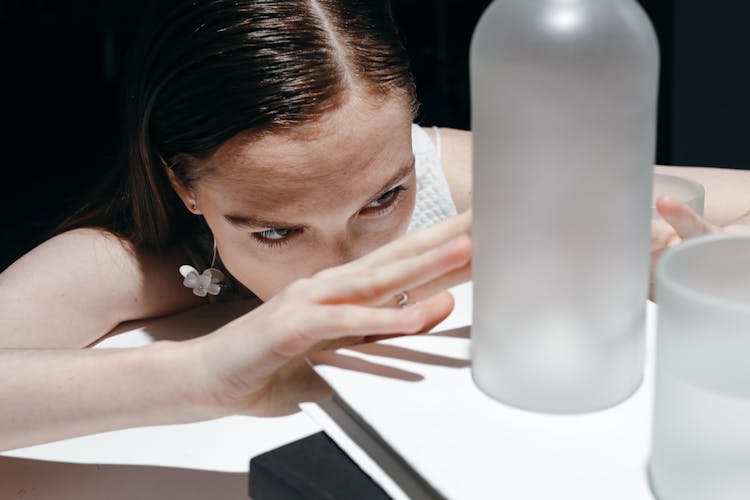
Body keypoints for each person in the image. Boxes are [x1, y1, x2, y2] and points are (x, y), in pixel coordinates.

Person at [0, 0, 748, 452]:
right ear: (182, 186)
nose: (342, 268)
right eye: (275, 233)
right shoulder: (133, 260)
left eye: (383, 199)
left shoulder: (446, 171)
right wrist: (201, 375)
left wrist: (696, 272)